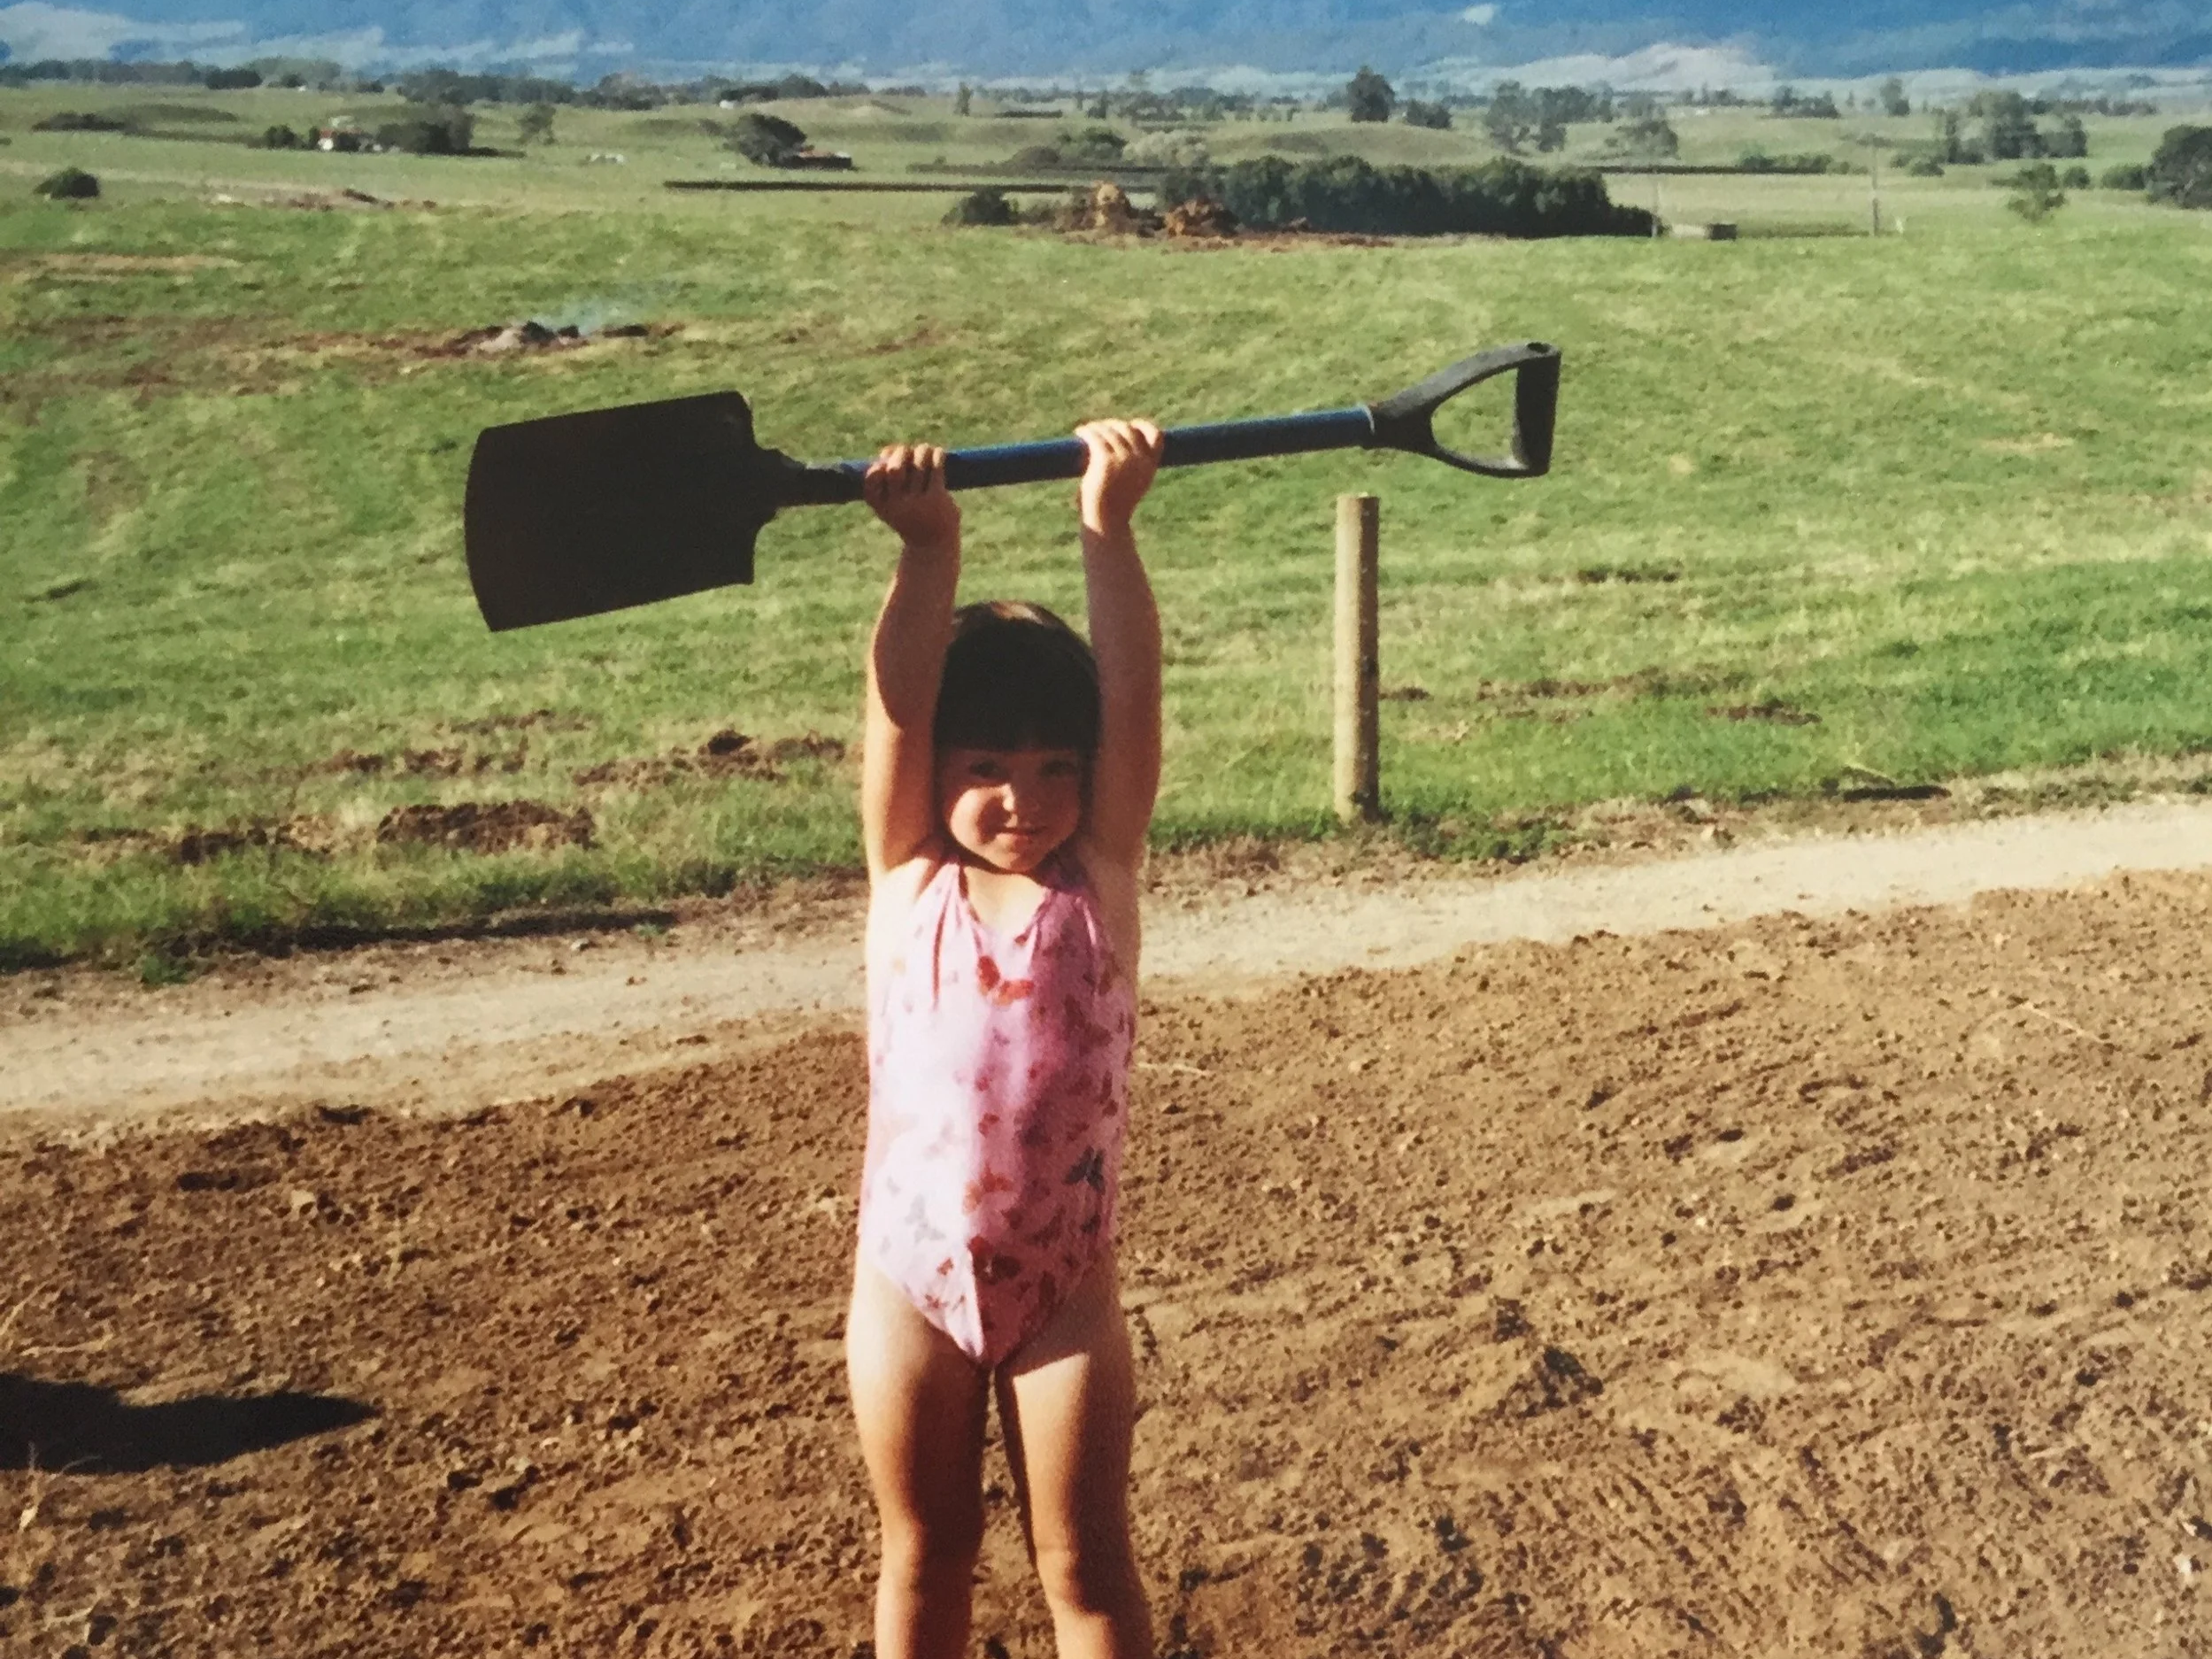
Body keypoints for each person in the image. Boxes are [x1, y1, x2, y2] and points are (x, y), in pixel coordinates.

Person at [847, 419, 1165, 1659]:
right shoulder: (905, 880)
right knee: (924, 1556)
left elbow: (1130, 697)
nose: (1021, 799)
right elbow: (895, 713)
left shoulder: (1102, 878)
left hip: (1064, 1293)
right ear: (939, 770)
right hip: (906, 1286)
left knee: (1084, 1564)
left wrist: (1109, 524)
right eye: (984, 767)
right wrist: (930, 554)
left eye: (1050, 767)